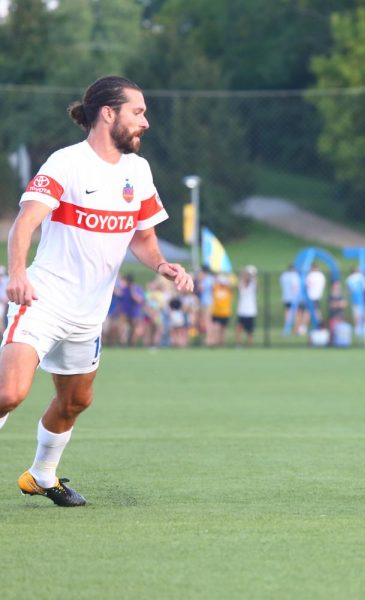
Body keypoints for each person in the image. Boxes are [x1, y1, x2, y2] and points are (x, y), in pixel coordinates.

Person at [0, 76, 193, 506]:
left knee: (74, 403)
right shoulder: (65, 163)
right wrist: (17, 274)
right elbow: (25, 223)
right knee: (9, 394)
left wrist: (162, 264)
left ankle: (41, 475)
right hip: (42, 300)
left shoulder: (137, 171)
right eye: (138, 112)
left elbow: (141, 237)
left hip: (88, 315)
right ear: (108, 113)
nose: (146, 121)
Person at [207, 273, 233, 347]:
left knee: (223, 330)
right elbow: (212, 286)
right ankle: (214, 342)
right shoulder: (216, 288)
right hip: (216, 312)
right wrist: (217, 279)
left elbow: (231, 286)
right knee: (215, 328)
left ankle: (222, 343)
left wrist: (227, 281)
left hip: (225, 312)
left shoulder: (228, 289)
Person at [235, 265, 258, 346]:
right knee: (239, 328)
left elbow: (256, 284)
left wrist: (253, 275)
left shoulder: (253, 285)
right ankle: (238, 344)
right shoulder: (241, 284)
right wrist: (243, 273)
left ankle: (250, 345)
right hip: (242, 310)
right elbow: (239, 285)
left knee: (250, 331)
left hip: (251, 311)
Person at [279, 264, 302, 334]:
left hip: (286, 297)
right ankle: (296, 329)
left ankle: (287, 329)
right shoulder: (295, 276)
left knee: (287, 313)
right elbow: (295, 287)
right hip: (294, 298)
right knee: (297, 314)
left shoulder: (284, 276)